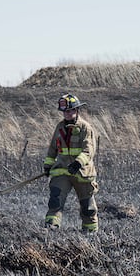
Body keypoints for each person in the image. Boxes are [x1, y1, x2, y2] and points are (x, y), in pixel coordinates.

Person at [42, 93, 99, 232]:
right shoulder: (60, 127)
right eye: (64, 112)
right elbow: (53, 148)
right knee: (55, 201)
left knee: (88, 207)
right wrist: (48, 165)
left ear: (76, 110)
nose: (66, 114)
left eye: (69, 111)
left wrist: (78, 163)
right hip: (62, 172)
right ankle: (50, 229)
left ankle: (90, 232)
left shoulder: (86, 128)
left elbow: (89, 150)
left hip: (82, 173)